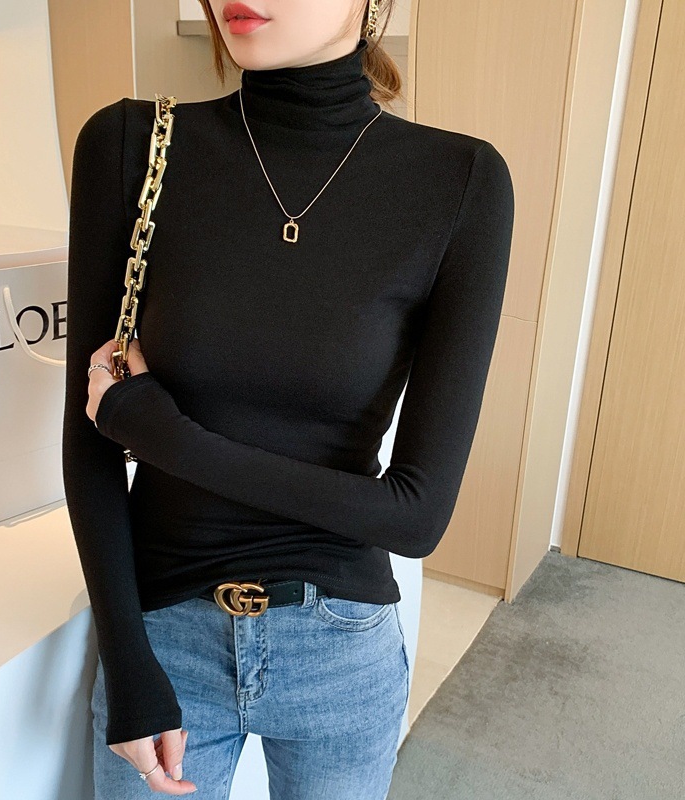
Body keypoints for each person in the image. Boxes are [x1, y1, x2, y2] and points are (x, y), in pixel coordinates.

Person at [62, 0, 515, 797]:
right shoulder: (132, 145)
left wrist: (172, 441)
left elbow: (416, 516)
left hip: (341, 650)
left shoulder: (460, 181)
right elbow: (89, 438)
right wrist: (128, 664)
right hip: (164, 638)